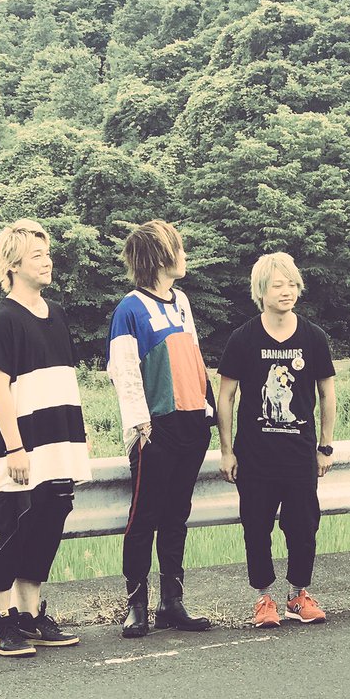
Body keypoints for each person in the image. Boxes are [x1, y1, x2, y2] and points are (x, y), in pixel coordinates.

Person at [0, 219, 91, 657]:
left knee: (46, 527)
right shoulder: (3, 318)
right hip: (19, 447)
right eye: (37, 256)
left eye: (47, 254)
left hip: (58, 443)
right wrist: (14, 448)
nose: (47, 262)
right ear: (13, 265)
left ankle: (30, 616)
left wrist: (77, 437)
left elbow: (62, 379)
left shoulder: (56, 313)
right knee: (9, 528)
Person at [217, 253, 336, 629]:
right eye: (278, 285)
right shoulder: (243, 338)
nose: (287, 291)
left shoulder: (313, 337)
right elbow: (226, 396)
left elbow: (327, 393)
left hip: (300, 453)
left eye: (292, 284)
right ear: (261, 291)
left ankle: (298, 596)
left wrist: (325, 446)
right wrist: (226, 450)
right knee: (256, 528)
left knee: (304, 527)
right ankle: (263, 599)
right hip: (254, 455)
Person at [107, 220, 215, 639]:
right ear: (160, 257)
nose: (184, 256)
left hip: (191, 422)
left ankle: (173, 602)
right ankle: (136, 605)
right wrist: (141, 426)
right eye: (179, 249)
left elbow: (194, 358)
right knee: (144, 518)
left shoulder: (181, 302)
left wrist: (206, 409)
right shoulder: (130, 309)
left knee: (176, 516)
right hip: (154, 429)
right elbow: (124, 371)